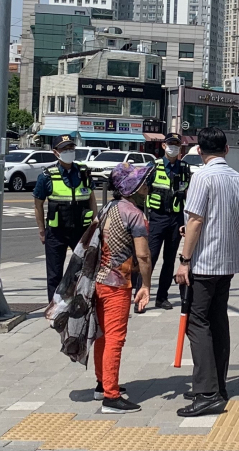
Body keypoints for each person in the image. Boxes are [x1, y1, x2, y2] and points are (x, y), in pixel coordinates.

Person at [175, 127, 239, 417]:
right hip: (228, 259)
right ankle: (218, 384)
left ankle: (206, 392)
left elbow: (195, 221)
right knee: (218, 321)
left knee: (198, 322)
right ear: (227, 149)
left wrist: (184, 259)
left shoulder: (202, 177)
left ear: (199, 151)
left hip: (204, 261)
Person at [94, 162, 153, 413]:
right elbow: (144, 256)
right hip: (119, 283)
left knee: (102, 335)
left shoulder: (108, 207)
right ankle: (111, 396)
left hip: (99, 280)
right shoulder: (134, 214)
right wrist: (147, 285)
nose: (147, 185)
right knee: (116, 339)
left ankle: (102, 384)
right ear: (133, 187)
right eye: (143, 181)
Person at [34, 134, 97, 301]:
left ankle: (79, 304)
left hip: (81, 231)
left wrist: (95, 224)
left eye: (71, 148)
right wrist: (42, 230)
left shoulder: (83, 173)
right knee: (54, 273)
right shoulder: (47, 176)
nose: (69, 151)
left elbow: (91, 198)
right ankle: (54, 308)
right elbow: (38, 204)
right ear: (56, 152)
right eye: (65, 149)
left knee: (83, 270)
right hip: (56, 231)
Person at [139, 133, 191, 312]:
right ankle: (141, 296)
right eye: (171, 144)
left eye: (177, 144)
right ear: (163, 146)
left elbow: (188, 194)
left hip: (176, 219)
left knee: (169, 260)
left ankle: (162, 297)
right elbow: (140, 189)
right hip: (157, 218)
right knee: (149, 257)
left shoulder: (184, 168)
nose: (173, 147)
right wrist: (141, 215)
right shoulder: (153, 166)